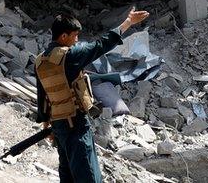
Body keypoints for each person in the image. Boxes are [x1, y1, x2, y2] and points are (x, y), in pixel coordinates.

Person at [35, 9, 149, 183]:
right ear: (64, 37)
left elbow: (43, 96)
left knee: (67, 175)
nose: (77, 40)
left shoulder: (40, 61)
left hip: (59, 127)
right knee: (88, 175)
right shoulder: (70, 55)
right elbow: (101, 45)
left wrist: (46, 126)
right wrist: (128, 22)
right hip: (76, 126)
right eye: (75, 36)